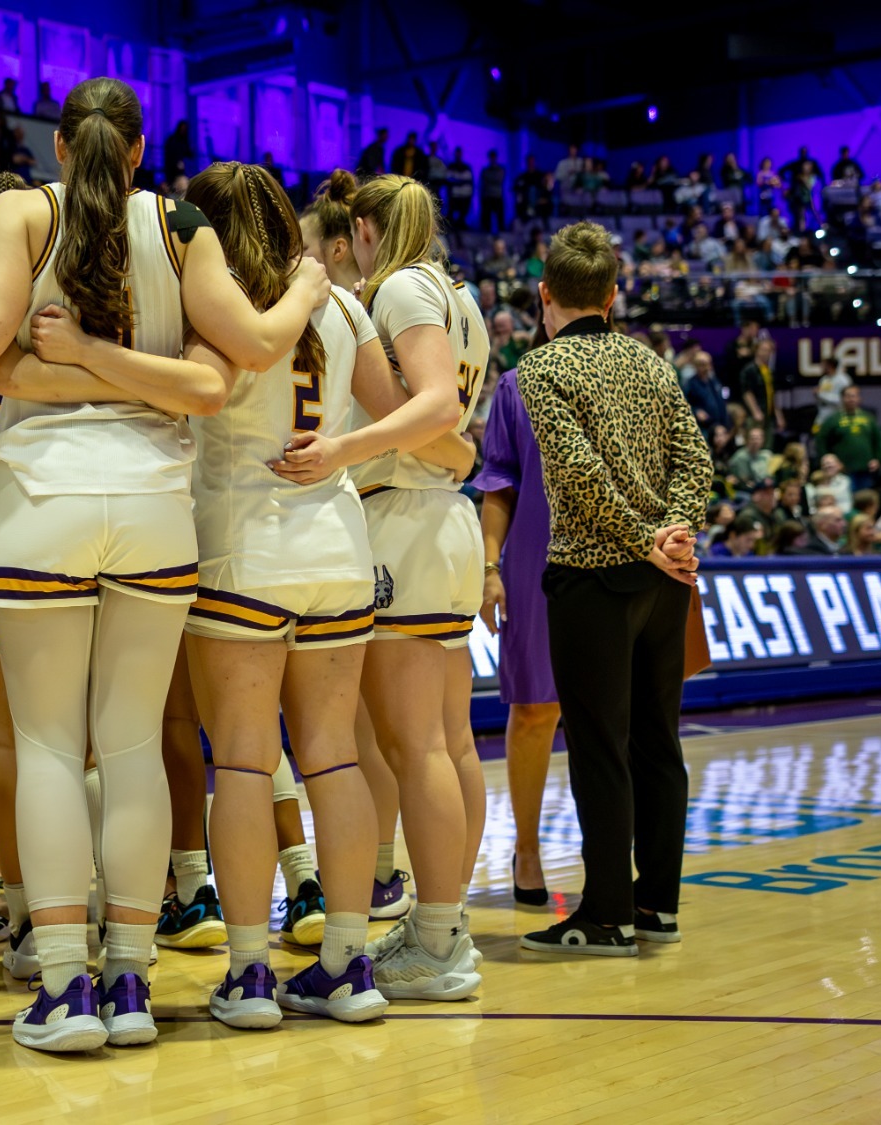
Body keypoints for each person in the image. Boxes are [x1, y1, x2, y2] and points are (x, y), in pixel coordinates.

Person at [0, 76, 325, 1053]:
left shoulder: (18, 209)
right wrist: (307, 283)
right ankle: (132, 985)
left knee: (51, 748)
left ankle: (64, 987)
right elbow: (237, 362)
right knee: (132, 744)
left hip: (41, 503)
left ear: (58, 146)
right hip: (152, 508)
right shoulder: (181, 223)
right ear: (138, 151)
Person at [177, 161, 461, 1026]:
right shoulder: (340, 302)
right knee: (334, 755)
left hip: (241, 544)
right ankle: (347, 960)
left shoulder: (213, 300)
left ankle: (252, 969)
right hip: (339, 546)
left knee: (241, 761)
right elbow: (401, 416)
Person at [298, 171, 493, 1002]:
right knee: (448, 743)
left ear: (367, 229)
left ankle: (442, 935)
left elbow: (440, 405)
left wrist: (342, 451)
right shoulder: (459, 292)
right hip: (441, 514)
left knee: (417, 747)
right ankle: (445, 923)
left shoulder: (403, 288)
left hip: (407, 522)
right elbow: (456, 425)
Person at [515, 221, 708, 956]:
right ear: (614, 294)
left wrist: (642, 541)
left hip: (594, 578)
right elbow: (697, 457)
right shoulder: (653, 364)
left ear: (545, 294)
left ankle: (605, 913)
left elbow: (577, 475)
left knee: (601, 746)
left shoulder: (540, 369)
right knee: (659, 741)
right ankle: (657, 903)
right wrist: (674, 534)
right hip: (665, 585)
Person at [472, 344, 561, 907]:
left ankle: (614, 858)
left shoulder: (634, 370)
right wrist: (489, 566)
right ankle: (526, 850)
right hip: (536, 561)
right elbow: (498, 482)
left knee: (617, 726)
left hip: (620, 561)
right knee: (533, 712)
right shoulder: (518, 384)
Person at [816, 384, 881, 493]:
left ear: (859, 398)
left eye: (854, 396)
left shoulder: (869, 418)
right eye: (848, 396)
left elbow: (878, 441)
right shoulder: (832, 420)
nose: (851, 399)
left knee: (864, 497)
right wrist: (827, 460)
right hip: (842, 470)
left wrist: (877, 459)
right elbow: (821, 442)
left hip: (865, 469)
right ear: (842, 399)